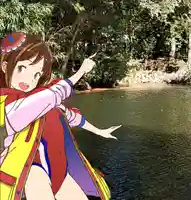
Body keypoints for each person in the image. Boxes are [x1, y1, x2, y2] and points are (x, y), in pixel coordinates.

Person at [0, 32, 120, 200]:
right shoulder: (7, 104)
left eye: (36, 74)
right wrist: (80, 73)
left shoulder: (42, 100)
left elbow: (70, 116)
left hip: (58, 171)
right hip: (30, 171)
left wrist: (100, 131)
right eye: (22, 68)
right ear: (6, 67)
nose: (29, 79)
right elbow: (48, 97)